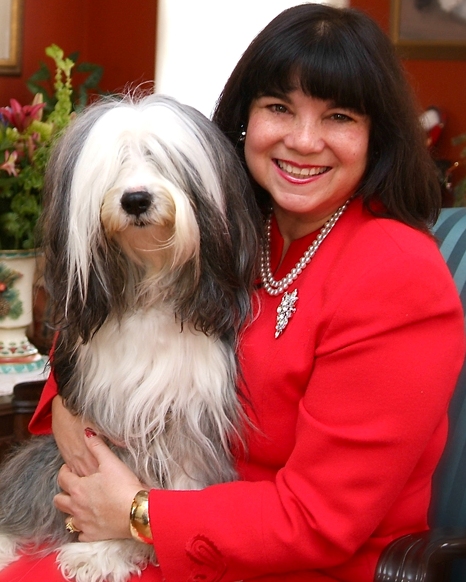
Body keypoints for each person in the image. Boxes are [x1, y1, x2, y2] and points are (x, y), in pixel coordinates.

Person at [1, 4, 464, 581]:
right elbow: (106, 314)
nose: (303, 140)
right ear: (244, 118)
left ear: (377, 135)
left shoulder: (396, 274)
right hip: (173, 528)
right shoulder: (230, 223)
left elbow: (319, 521)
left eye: (339, 116)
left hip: (295, 561)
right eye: (279, 108)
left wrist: (136, 513)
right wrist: (67, 406)